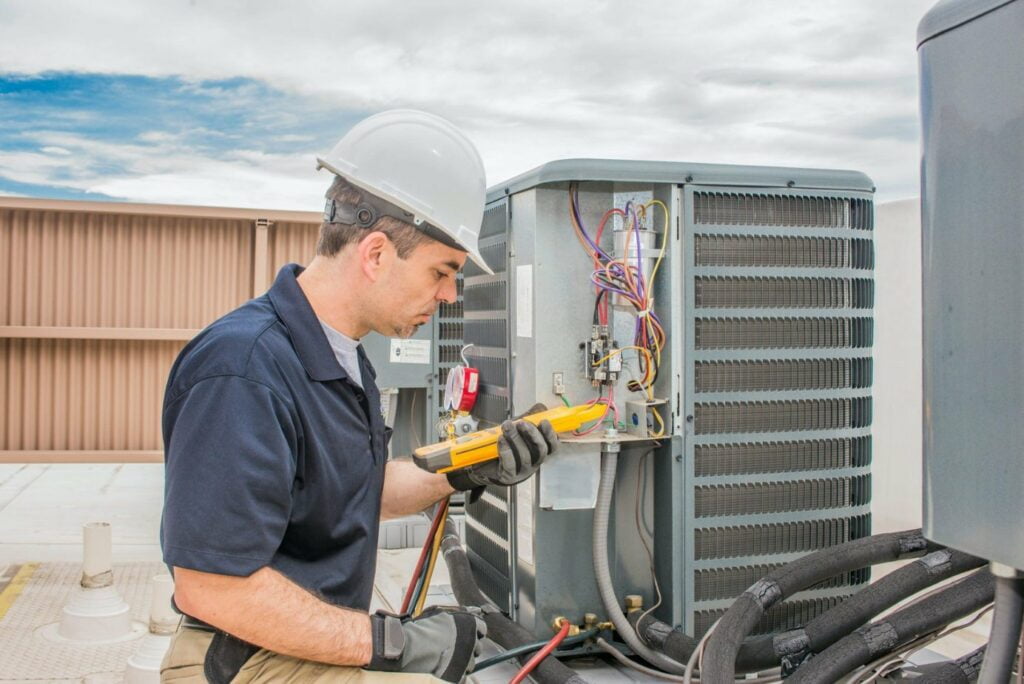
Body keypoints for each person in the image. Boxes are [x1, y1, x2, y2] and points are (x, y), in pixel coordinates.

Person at [159, 110, 558, 683]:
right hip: (244, 657)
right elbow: (210, 586)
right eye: (442, 272)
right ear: (375, 254)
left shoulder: (341, 357)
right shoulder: (243, 370)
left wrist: (476, 463)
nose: (449, 295)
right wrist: (392, 642)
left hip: (298, 641)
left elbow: (358, 495)